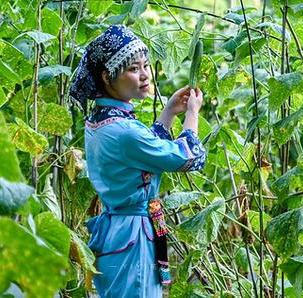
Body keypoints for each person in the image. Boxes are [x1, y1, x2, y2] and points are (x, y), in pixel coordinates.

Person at [69, 25, 207, 297]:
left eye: (145, 66)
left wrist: (169, 111)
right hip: (134, 240)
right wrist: (192, 114)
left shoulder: (100, 121)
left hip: (116, 233)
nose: (145, 75)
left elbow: (143, 152)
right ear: (108, 77)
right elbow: (187, 157)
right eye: (133, 69)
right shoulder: (124, 131)